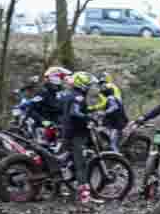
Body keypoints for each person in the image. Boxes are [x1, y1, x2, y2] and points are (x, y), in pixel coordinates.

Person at [59, 71, 101, 204]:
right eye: (89, 84)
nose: (90, 87)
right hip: (77, 134)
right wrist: (89, 118)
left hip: (67, 131)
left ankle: (59, 188)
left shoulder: (68, 95)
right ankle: (85, 196)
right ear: (82, 84)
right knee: (80, 164)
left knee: (64, 160)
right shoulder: (78, 97)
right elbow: (75, 112)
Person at [25, 66, 71, 144]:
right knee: (44, 150)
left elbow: (64, 108)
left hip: (58, 126)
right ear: (54, 78)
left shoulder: (60, 91)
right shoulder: (43, 92)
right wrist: (43, 121)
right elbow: (30, 110)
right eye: (62, 77)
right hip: (43, 127)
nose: (64, 80)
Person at [98, 83, 129, 152]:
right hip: (117, 123)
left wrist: (104, 113)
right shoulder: (115, 98)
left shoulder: (111, 98)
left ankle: (118, 158)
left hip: (118, 124)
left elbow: (114, 107)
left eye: (104, 90)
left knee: (113, 143)